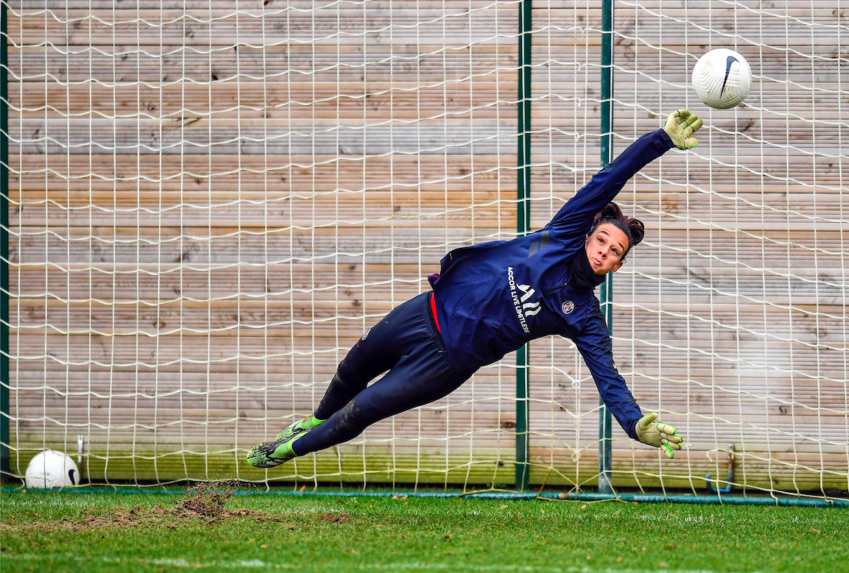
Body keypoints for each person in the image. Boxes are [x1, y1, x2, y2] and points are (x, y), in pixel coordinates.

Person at [247, 110, 704, 469]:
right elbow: (610, 178)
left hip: (446, 362)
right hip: (424, 313)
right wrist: (659, 140)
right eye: (603, 239)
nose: (605, 250)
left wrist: (632, 424)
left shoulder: (583, 315)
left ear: (618, 266)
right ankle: (312, 421)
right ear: (588, 236)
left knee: (362, 411)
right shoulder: (562, 233)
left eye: (615, 251)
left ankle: (285, 452)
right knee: (352, 368)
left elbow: (607, 376)